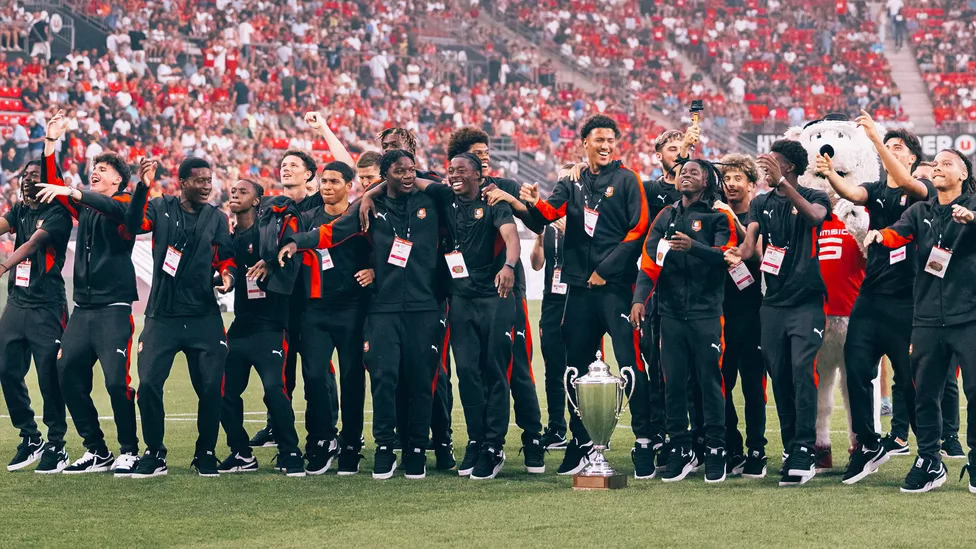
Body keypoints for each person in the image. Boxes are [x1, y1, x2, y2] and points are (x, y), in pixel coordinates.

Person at [280, 150, 443, 480]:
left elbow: (454, 191)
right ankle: (383, 447)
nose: (408, 175)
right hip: (382, 307)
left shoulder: (431, 199)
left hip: (424, 306)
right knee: (383, 379)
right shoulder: (369, 209)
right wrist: (297, 242)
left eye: (412, 170)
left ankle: (415, 450)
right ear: (386, 174)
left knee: (421, 381)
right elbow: (332, 232)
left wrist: (374, 189)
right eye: (400, 171)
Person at [519, 114, 653, 478]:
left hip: (616, 290)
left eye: (610, 139)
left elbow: (638, 230)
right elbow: (550, 213)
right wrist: (532, 202)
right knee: (574, 370)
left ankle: (644, 441)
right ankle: (580, 445)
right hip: (578, 293)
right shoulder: (571, 181)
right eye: (598, 140)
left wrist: (604, 270)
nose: (605, 145)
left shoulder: (628, 180)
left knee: (629, 365)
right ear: (585, 144)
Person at [815, 116, 934, 483]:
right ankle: (867, 444)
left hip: (907, 300)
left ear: (912, 158)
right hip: (870, 296)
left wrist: (878, 140)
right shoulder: (877, 189)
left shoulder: (922, 187)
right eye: (890, 146)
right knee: (856, 367)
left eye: (900, 148)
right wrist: (830, 173)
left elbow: (913, 186)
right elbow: (852, 194)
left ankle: (929, 454)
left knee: (912, 380)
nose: (892, 151)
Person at [32, 111, 139, 476]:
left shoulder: (125, 206)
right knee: (66, 372)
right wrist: (51, 143)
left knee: (114, 381)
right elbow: (54, 184)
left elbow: (114, 209)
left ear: (120, 180)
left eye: (104, 169)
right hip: (83, 311)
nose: (96, 171)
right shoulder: (87, 205)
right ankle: (96, 449)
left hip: (114, 310)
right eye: (95, 167)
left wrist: (76, 191)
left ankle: (130, 450)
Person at [865, 149, 976, 493]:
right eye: (936, 164)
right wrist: (880, 236)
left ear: (963, 174)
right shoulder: (919, 210)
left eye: (947, 164)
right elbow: (898, 233)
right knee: (924, 393)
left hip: (968, 315)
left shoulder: (973, 206)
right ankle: (930, 459)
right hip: (926, 317)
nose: (939, 168)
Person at [725, 139, 831, 487]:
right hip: (771, 305)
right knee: (780, 374)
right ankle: (791, 448)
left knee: (802, 371)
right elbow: (752, 246)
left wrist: (785, 185)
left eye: (772, 163)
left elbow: (816, 219)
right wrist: (739, 253)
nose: (765, 167)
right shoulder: (760, 203)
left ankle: (805, 448)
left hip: (806, 303)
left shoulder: (815, 197)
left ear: (789, 167)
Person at [412, 152, 523, 479]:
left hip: (496, 297)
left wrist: (509, 266)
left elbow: (511, 237)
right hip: (460, 300)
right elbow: (404, 179)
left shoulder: (493, 201)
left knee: (494, 371)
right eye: (451, 170)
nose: (454, 175)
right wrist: (368, 197)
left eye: (462, 170)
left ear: (478, 174)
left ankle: (494, 445)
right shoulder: (444, 195)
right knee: (468, 373)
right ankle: (475, 441)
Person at [124, 157, 235, 478]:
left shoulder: (216, 217)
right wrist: (142, 186)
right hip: (162, 316)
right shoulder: (160, 207)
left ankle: (207, 452)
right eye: (199, 180)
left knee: (212, 387)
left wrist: (227, 275)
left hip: (204, 315)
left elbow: (226, 256)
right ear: (182, 181)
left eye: (209, 180)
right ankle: (154, 452)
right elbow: (134, 225)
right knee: (149, 386)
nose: (206, 186)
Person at [631, 159, 737, 483]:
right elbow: (650, 262)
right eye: (682, 172)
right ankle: (680, 446)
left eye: (694, 171)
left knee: (709, 382)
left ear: (707, 180)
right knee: (672, 383)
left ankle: (717, 448)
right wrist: (638, 300)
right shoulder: (665, 216)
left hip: (707, 314)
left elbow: (728, 256)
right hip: (670, 315)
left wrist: (695, 248)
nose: (685, 175)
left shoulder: (719, 215)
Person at [448, 127, 546, 472]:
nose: (485, 156)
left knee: (516, 368)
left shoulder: (502, 187)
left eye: (486, 151)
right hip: (464, 293)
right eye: (478, 151)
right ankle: (481, 442)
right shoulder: (450, 191)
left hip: (506, 290)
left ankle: (532, 439)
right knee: (473, 370)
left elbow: (537, 224)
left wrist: (518, 202)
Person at [217, 179, 304, 477]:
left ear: (257, 202)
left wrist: (270, 260)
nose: (235, 194)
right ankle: (241, 453)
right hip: (241, 326)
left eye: (243, 191)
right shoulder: (229, 236)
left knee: (274, 390)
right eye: (233, 191)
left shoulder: (270, 230)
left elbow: (287, 206)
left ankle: (290, 450)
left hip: (272, 326)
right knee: (221, 390)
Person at [297, 161, 373, 475]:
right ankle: (323, 439)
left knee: (352, 379)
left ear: (348, 186)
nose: (327, 187)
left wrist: (375, 270)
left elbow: (381, 250)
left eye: (334, 181)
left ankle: (352, 441)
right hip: (315, 310)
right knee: (314, 377)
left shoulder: (361, 216)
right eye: (324, 181)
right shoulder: (307, 219)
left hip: (353, 309)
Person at [0, 159, 72, 474]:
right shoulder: (20, 209)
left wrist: (3, 265)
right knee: (6, 369)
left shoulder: (59, 213)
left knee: (48, 376)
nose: (29, 180)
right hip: (17, 301)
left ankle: (57, 444)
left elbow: (32, 245)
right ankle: (31, 437)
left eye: (36, 175)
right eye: (26, 175)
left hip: (47, 304)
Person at [717, 154, 767, 478]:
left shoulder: (759, 212)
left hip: (753, 311)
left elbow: (760, 253)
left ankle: (757, 449)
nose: (732, 184)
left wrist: (734, 222)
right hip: (719, 312)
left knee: (752, 385)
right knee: (721, 384)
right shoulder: (713, 214)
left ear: (751, 183)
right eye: (727, 179)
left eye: (738, 178)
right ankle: (732, 445)